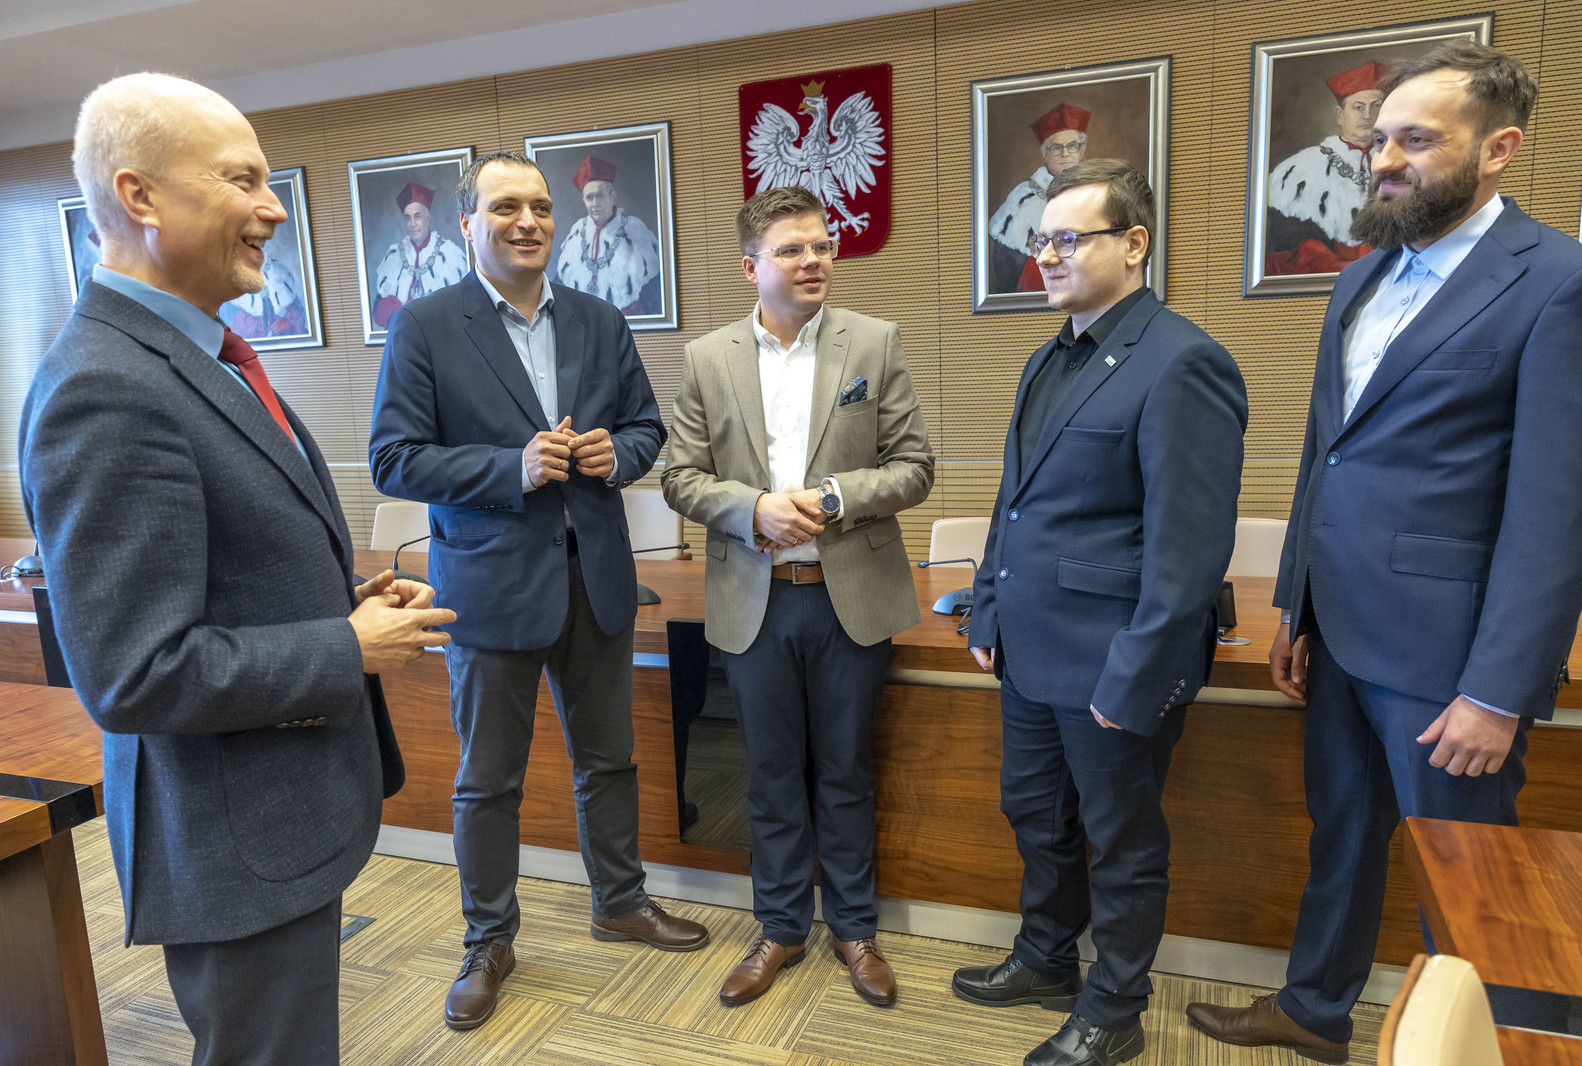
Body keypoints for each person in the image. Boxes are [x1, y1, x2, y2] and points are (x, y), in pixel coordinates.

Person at [19, 72, 455, 1066]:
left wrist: (341, 602)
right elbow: (133, 673)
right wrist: (345, 647)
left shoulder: (198, 355)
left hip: (274, 814)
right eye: (241, 179)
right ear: (139, 196)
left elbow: (219, 568)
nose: (273, 209)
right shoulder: (105, 389)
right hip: (230, 835)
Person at [1187, 42, 1582, 1064]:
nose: (1384, 161)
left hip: (1448, 659)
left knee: (1465, 873)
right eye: (1378, 141)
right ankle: (1312, 1009)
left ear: (1498, 148)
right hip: (1338, 635)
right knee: (1341, 833)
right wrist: (1294, 609)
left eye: (1416, 140)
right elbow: (1324, 456)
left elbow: (1559, 511)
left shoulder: (1561, 284)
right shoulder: (1361, 280)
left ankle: (1487, 1047)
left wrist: (1497, 691)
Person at [369, 149, 708, 1033]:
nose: (528, 222)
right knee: (489, 782)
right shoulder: (424, 327)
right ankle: (488, 940)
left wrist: (616, 453)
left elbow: (647, 427)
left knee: (611, 762)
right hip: (488, 591)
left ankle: (619, 902)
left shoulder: (599, 319)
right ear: (466, 224)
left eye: (541, 207)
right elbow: (393, 459)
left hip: (596, 581)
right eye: (505, 207)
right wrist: (510, 468)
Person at [958, 158, 1246, 1066]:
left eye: (1068, 239)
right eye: (1039, 240)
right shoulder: (1050, 355)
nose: (1046, 255)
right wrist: (986, 611)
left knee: (1120, 839)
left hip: (1112, 658)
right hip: (1029, 650)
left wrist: (1137, 674)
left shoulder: (1183, 360)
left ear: (1134, 243)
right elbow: (1014, 503)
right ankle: (1046, 957)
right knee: (1035, 815)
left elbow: (1188, 550)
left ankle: (1115, 1008)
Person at [660, 185, 933, 1008]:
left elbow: (914, 467)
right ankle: (779, 928)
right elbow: (679, 477)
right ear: (752, 267)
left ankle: (855, 929)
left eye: (822, 245)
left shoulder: (873, 342)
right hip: (756, 599)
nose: (814, 260)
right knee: (772, 774)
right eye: (792, 249)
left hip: (851, 595)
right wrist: (753, 510)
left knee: (845, 771)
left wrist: (838, 497)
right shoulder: (708, 358)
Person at [1264, 61, 1386, 275]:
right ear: (1340, 115)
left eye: (1376, 106)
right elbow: (1289, 247)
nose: (1368, 115)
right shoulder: (1301, 169)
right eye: (1358, 107)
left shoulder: (1402, 162)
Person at [988, 103, 1091, 294]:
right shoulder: (1024, 198)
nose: (1065, 154)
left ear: (1082, 149)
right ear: (1045, 152)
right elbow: (1007, 276)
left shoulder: (1095, 191)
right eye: (1056, 148)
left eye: (1072, 146)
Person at [554, 155, 663, 315]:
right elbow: (562, 284)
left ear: (612, 197)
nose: (595, 204)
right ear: (584, 200)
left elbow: (654, 286)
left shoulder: (635, 229)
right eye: (590, 198)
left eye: (600, 195)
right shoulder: (577, 231)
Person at [372, 181, 471, 327]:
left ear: (428, 218)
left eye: (417, 216)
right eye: (408, 218)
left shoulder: (450, 253)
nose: (412, 224)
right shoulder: (393, 255)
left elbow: (465, 307)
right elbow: (378, 314)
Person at [222, 252, 307, 338]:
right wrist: (253, 326)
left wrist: (288, 324)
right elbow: (230, 333)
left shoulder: (283, 287)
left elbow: (301, 322)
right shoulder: (237, 300)